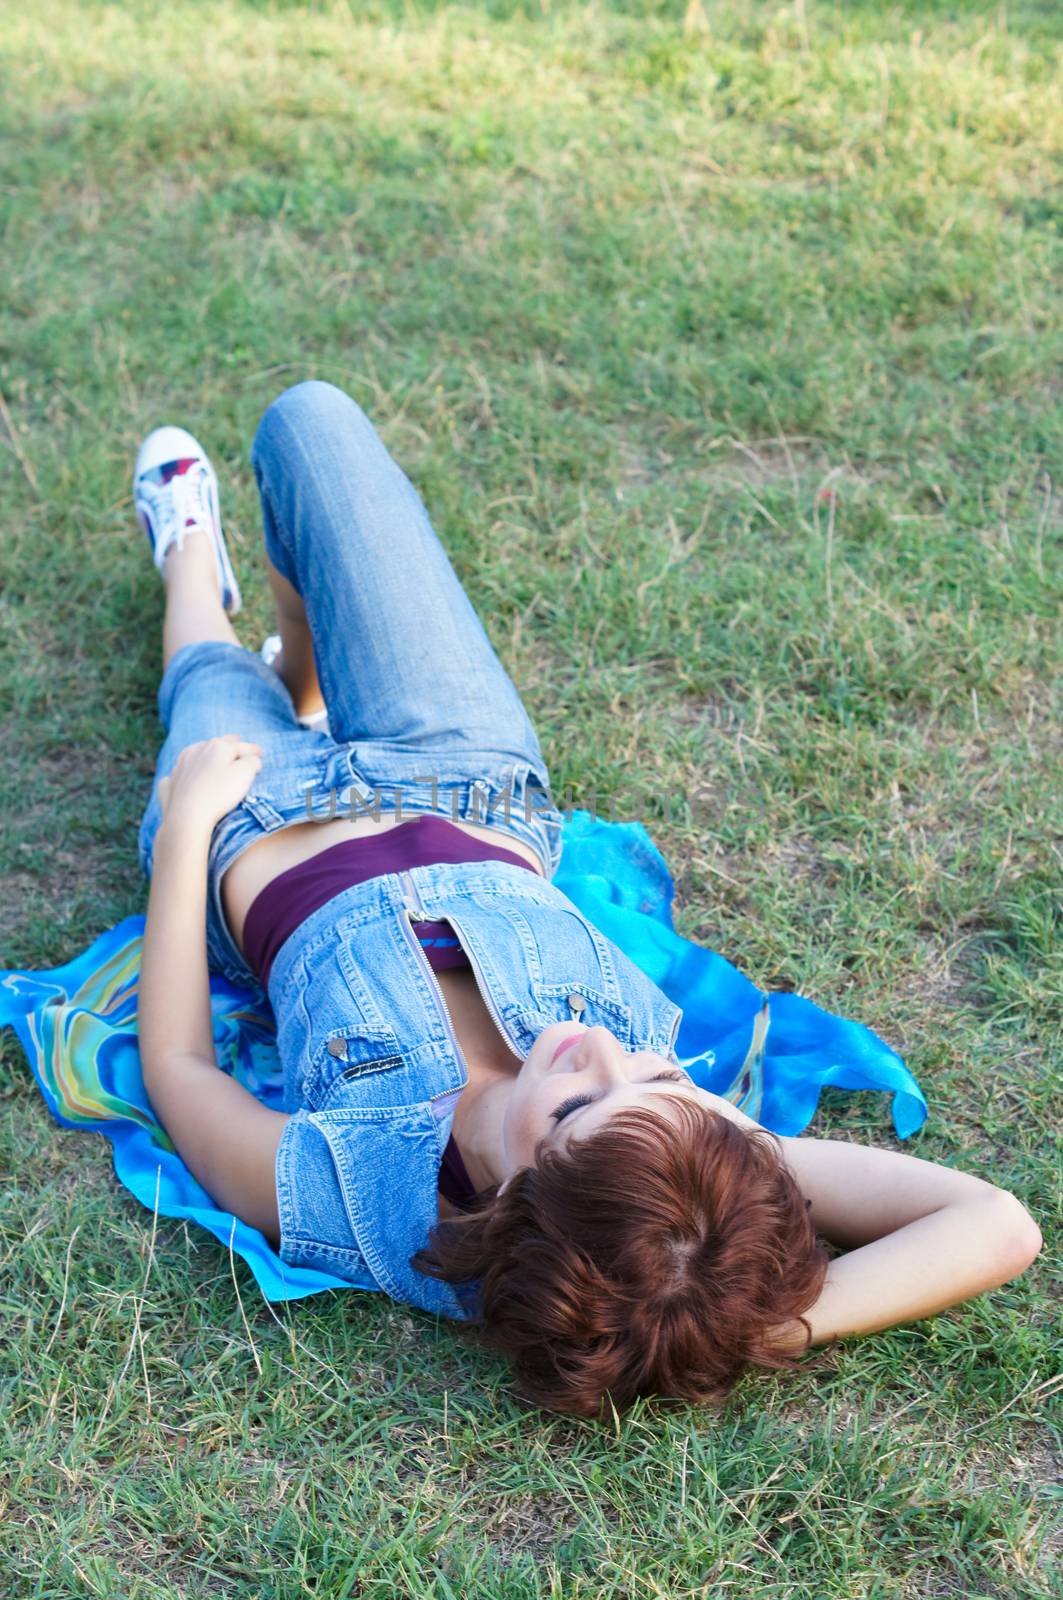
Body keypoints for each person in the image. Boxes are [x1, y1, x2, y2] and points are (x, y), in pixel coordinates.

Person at [134, 380, 1042, 1417]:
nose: (592, 1048)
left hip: (252, 824)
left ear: (513, 1203)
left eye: (573, 1103)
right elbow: (997, 1224)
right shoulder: (677, 1173)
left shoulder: (357, 1192)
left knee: (201, 665)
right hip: (461, 774)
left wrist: (189, 831)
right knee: (312, 423)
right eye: (656, 1073)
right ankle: (299, 673)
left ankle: (191, 555)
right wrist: (736, 1321)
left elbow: (178, 1068)